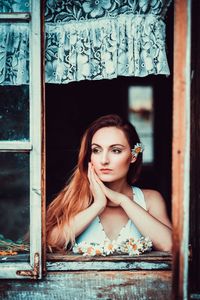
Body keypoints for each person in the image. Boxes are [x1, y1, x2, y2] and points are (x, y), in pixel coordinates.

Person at [46, 114, 172, 253]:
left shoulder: (149, 199)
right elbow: (49, 243)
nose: (104, 160)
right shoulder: (76, 197)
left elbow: (170, 246)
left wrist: (123, 200)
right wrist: (98, 205)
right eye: (96, 150)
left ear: (133, 156)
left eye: (116, 150)